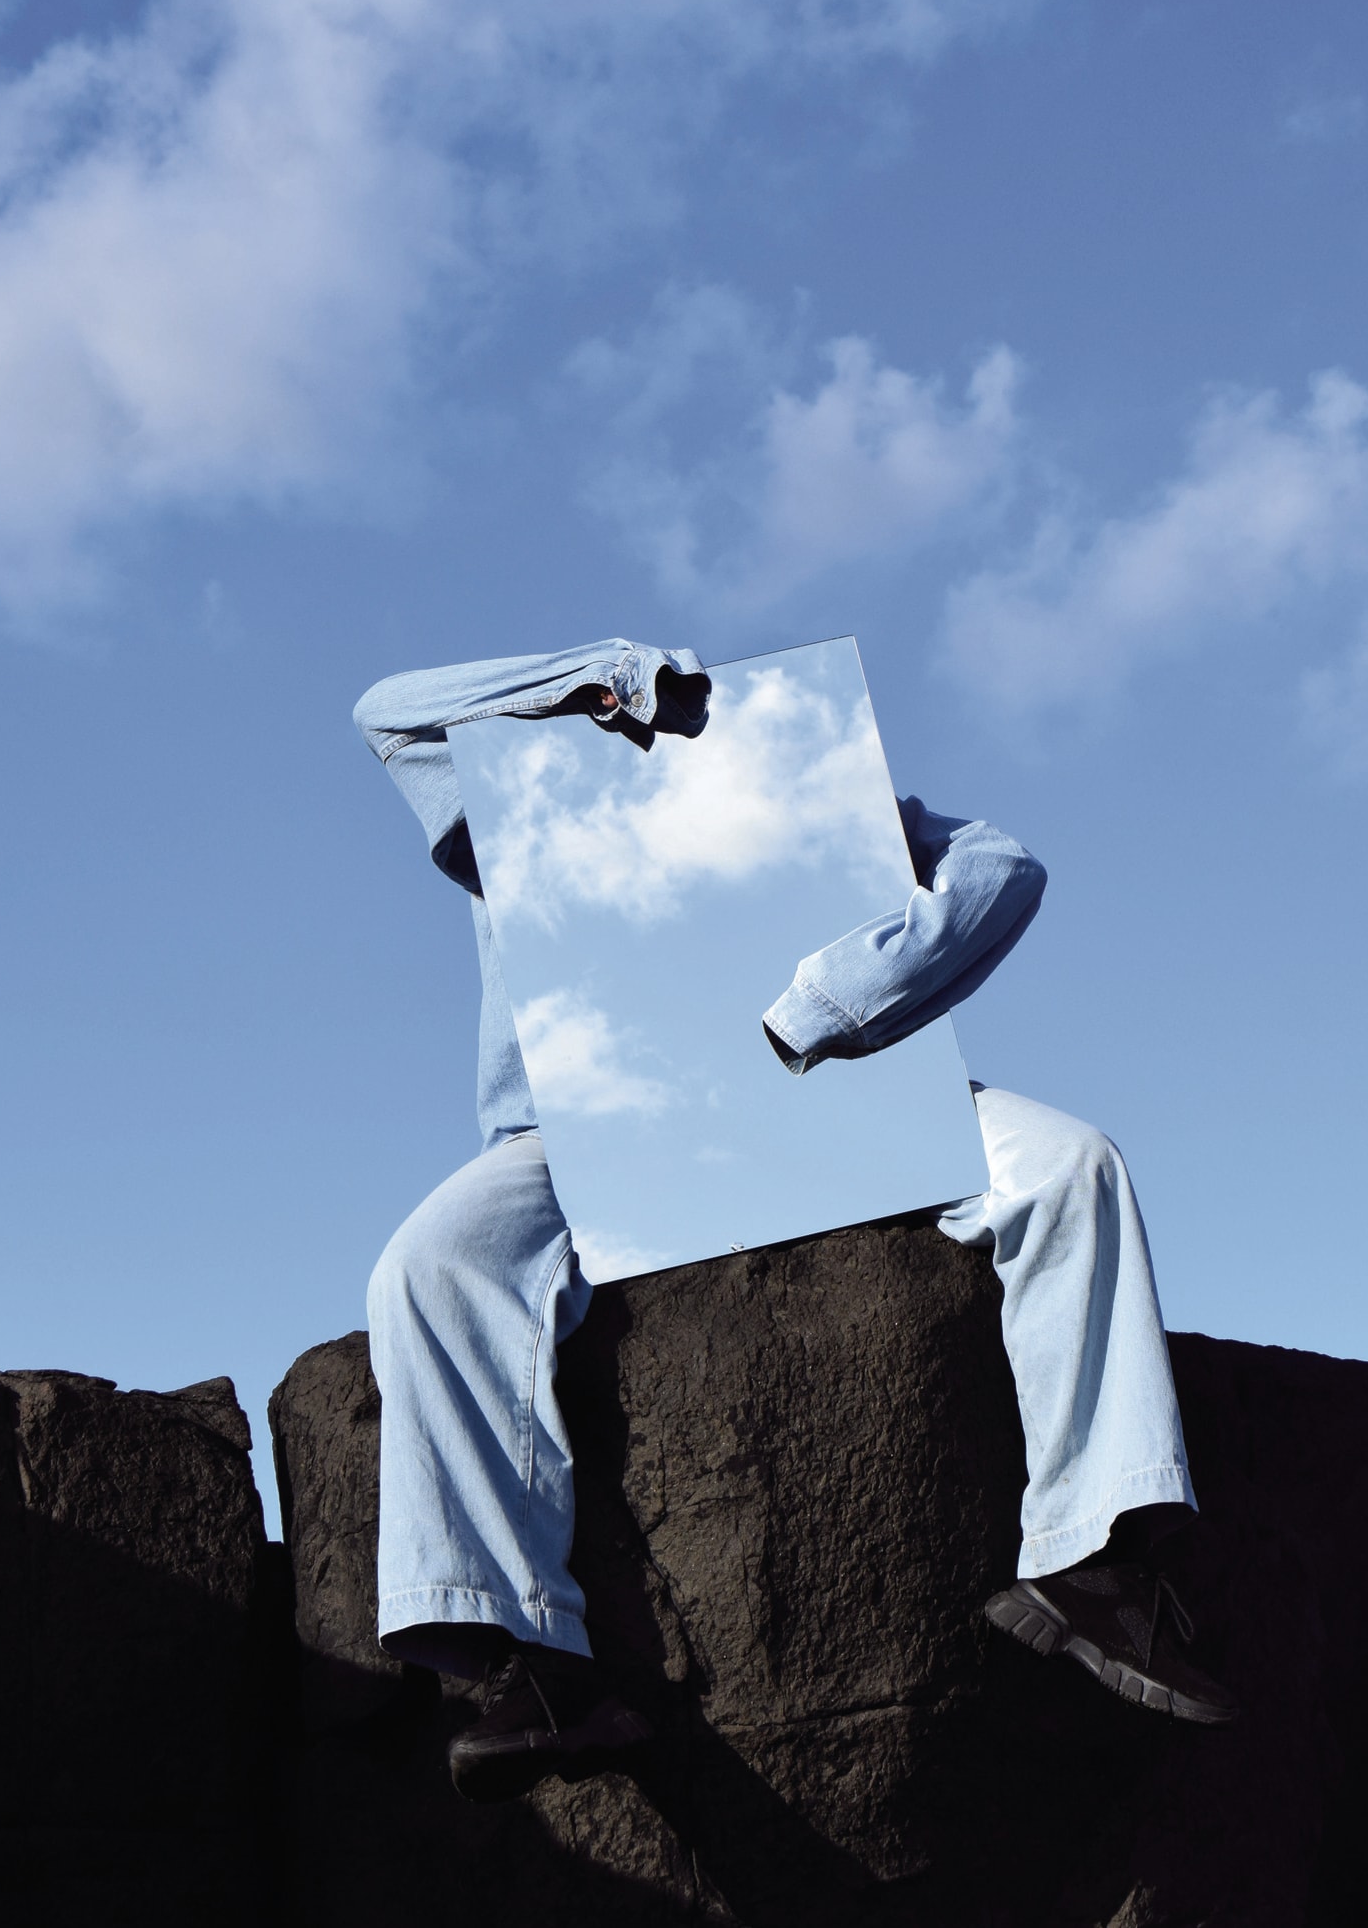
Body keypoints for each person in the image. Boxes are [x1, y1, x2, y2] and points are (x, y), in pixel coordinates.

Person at [353, 637, 1236, 1805]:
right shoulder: (521, 781)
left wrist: (829, 999)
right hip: (575, 1121)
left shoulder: (799, 781)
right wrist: (613, 679)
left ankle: (1091, 1558)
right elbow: (389, 708)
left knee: (1072, 1163)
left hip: (833, 1089)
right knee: (428, 1262)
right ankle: (529, 1655)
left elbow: (1000, 864)